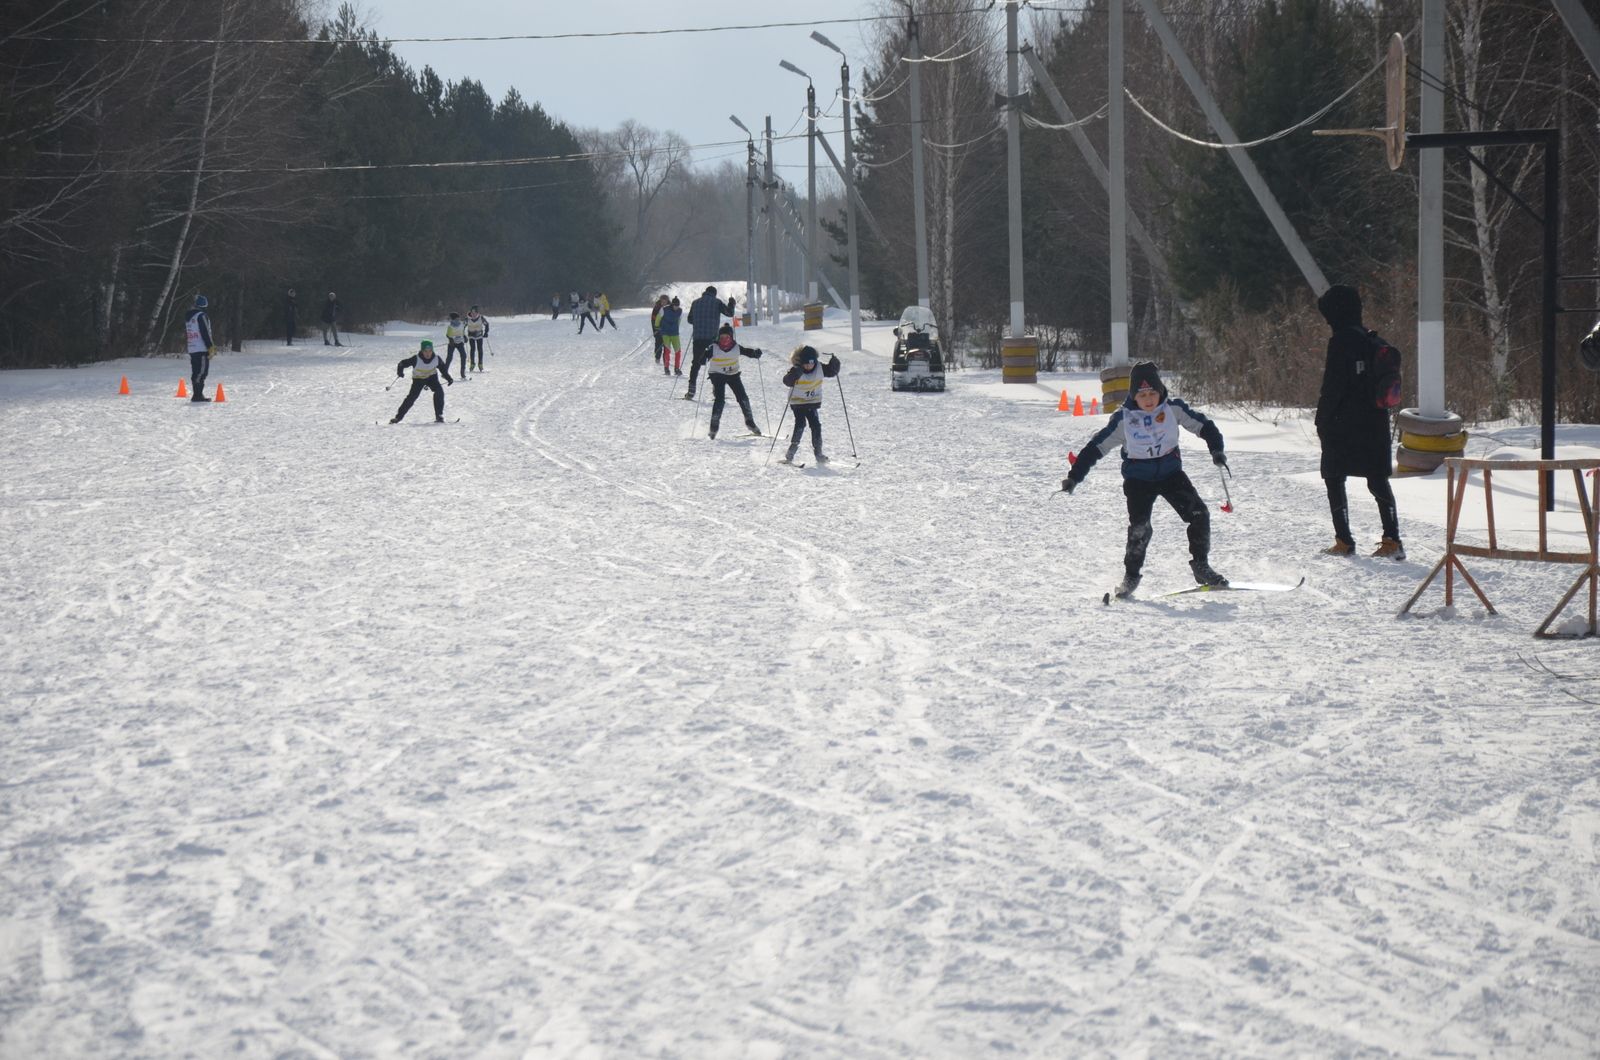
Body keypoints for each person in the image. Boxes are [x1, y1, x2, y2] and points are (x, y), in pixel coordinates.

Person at [1063, 361, 1228, 597]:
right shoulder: (1123, 420)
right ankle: (1131, 576)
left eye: (1153, 393)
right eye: (1142, 395)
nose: (1149, 399)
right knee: (1140, 528)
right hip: (1138, 480)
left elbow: (1205, 426)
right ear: (1133, 396)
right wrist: (1074, 477)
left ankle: (1201, 566)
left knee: (1199, 514)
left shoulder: (1173, 409)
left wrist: (1216, 449)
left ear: (1160, 392)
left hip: (1171, 474)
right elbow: (1095, 448)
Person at [1315, 284, 1403, 559]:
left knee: (1333, 477)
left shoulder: (1341, 341)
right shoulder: (1372, 339)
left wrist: (1322, 419)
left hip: (1343, 423)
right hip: (1375, 422)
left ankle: (1344, 541)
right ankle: (1392, 541)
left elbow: (1333, 386)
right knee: (1377, 480)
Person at [780, 345, 841, 463]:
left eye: (811, 363)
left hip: (812, 402)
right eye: (806, 364)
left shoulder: (820, 368)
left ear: (815, 361)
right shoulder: (797, 369)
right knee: (800, 424)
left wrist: (835, 364)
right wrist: (794, 375)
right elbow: (786, 381)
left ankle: (819, 453)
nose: (809, 366)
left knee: (816, 426)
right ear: (801, 362)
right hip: (797, 402)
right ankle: (791, 452)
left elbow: (832, 372)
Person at [704, 323, 763, 439]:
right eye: (721, 338)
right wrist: (704, 356)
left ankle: (749, 422)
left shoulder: (736, 348)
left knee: (743, 398)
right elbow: (702, 359)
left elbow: (748, 352)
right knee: (720, 400)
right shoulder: (714, 348)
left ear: (731, 338)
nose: (724, 341)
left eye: (727, 338)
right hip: (717, 375)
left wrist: (755, 353)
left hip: (733, 375)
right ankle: (713, 427)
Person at [685, 285, 736, 399]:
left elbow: (689, 319)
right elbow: (729, 313)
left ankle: (691, 389)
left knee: (696, 363)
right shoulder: (717, 302)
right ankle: (717, 390)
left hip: (698, 338)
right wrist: (731, 303)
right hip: (712, 339)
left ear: (705, 292)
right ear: (714, 294)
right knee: (716, 364)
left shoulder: (695, 302)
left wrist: (699, 321)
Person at [391, 339, 454, 423]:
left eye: (430, 351)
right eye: (425, 351)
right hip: (418, 380)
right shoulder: (416, 359)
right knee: (411, 397)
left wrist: (449, 378)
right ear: (422, 351)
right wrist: (400, 372)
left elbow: (443, 369)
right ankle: (398, 417)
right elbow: (401, 363)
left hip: (432, 378)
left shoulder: (436, 359)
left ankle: (439, 416)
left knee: (439, 392)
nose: (428, 353)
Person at [184, 294, 214, 402]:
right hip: (201, 348)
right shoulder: (201, 316)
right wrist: (210, 346)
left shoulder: (189, 317)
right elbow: (205, 331)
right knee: (202, 372)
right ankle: (197, 395)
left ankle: (197, 394)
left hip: (192, 347)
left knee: (196, 371)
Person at [659, 296, 684, 376]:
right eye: (675, 305)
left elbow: (679, 321)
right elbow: (658, 318)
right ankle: (666, 368)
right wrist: (657, 327)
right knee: (667, 350)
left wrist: (676, 328)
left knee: (678, 351)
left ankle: (676, 368)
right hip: (665, 333)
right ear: (672, 305)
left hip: (675, 334)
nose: (677, 307)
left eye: (678, 306)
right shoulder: (664, 309)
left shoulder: (680, 311)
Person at [444, 312, 468, 379]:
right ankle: (445, 373)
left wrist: (465, 337)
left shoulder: (461, 325)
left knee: (464, 356)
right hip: (452, 344)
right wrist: (450, 339)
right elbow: (447, 335)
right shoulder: (450, 327)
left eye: (458, 318)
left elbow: (462, 332)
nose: (458, 320)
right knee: (449, 358)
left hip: (460, 343)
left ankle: (462, 373)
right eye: (456, 319)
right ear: (453, 319)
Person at [465, 305, 489, 371]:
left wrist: (486, 332)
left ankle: (480, 364)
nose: (473, 314)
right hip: (471, 336)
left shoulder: (481, 318)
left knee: (480, 349)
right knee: (472, 349)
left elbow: (486, 324)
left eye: (475, 312)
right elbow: (462, 327)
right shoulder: (467, 318)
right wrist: (463, 336)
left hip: (479, 336)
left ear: (477, 312)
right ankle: (472, 364)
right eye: (472, 312)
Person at [649, 294, 669, 366]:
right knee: (658, 343)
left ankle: (666, 359)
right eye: (662, 302)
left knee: (666, 345)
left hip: (666, 329)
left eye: (665, 302)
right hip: (658, 329)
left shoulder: (669, 307)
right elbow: (653, 319)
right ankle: (657, 357)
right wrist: (655, 330)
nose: (663, 303)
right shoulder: (657, 307)